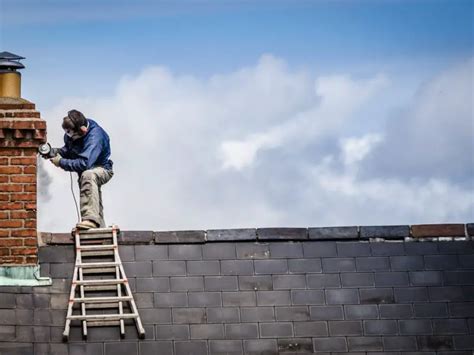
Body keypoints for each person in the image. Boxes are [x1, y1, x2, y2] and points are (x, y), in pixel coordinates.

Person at [49, 109, 113, 230]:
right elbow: (69, 150)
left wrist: (61, 162)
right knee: (93, 201)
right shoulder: (72, 133)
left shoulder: (95, 137)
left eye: (72, 134)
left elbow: (85, 164)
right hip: (86, 174)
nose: (70, 137)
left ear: (83, 131)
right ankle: (98, 228)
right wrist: (56, 152)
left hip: (101, 169)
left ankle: (89, 220)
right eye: (68, 134)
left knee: (88, 175)